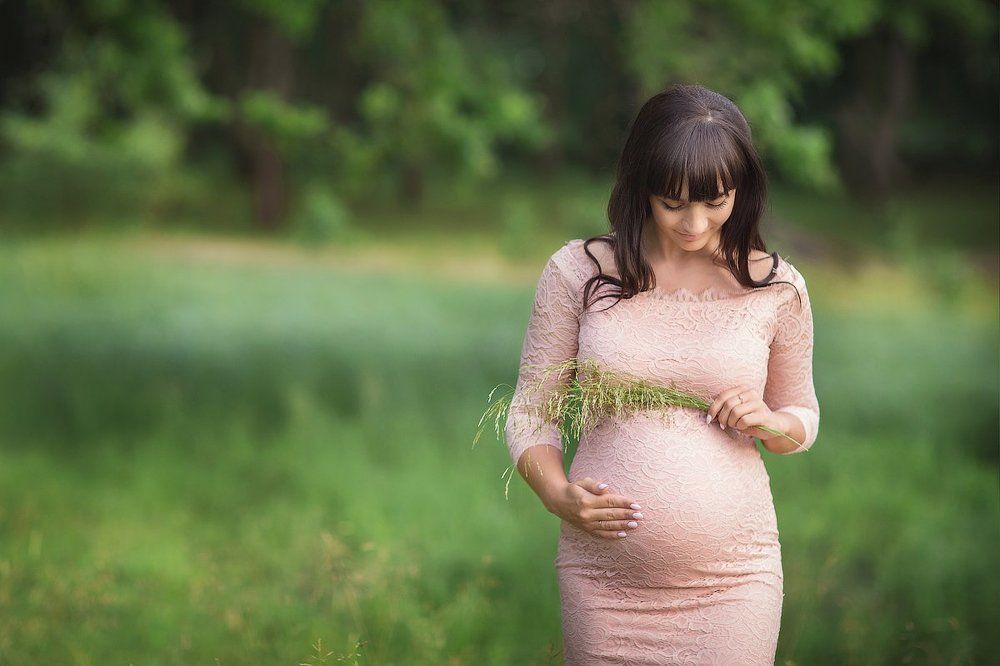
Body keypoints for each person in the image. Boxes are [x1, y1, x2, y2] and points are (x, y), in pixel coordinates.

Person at [504, 83, 821, 664]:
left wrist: (770, 421)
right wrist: (557, 495)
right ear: (640, 186)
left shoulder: (777, 288)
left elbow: (803, 418)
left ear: (741, 189)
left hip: (734, 580)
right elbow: (532, 412)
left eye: (715, 201)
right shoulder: (578, 273)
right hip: (604, 585)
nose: (695, 223)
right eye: (673, 203)